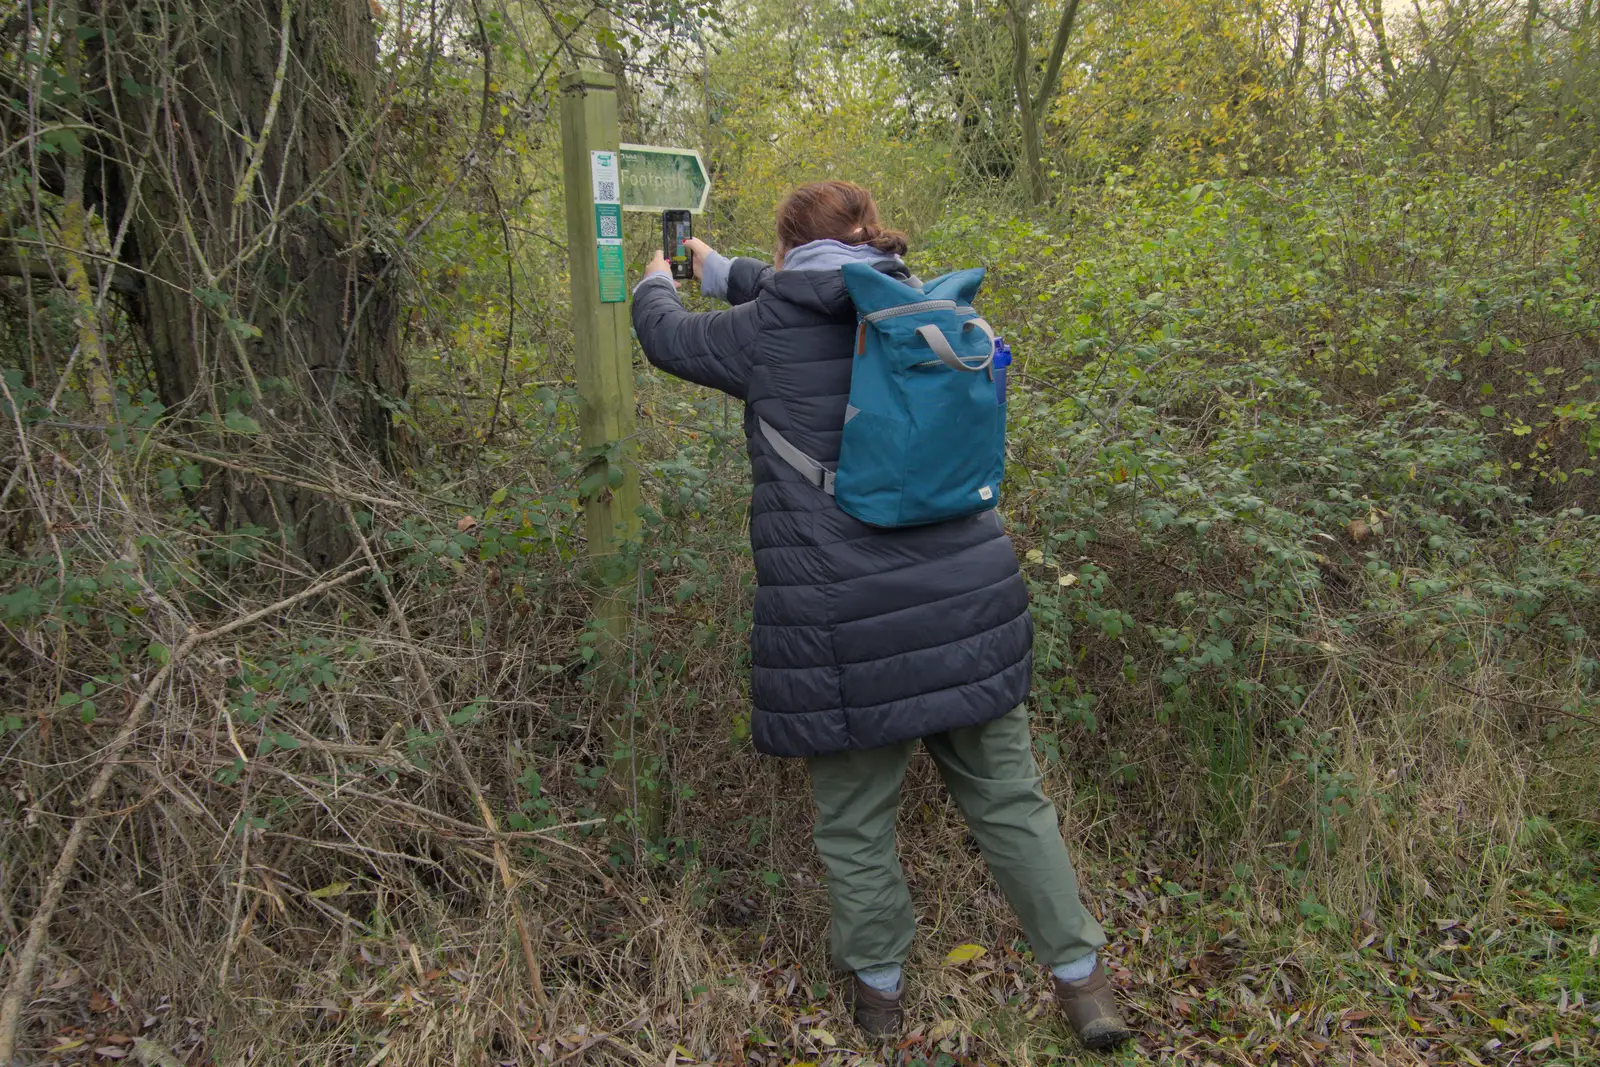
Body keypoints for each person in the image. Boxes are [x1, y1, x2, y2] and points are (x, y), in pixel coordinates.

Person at [630, 180, 1131, 1050]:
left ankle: (880, 1002)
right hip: (969, 608)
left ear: (787, 251)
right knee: (1012, 801)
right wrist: (725, 269)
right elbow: (819, 295)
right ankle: (1084, 984)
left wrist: (655, 281)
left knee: (858, 821)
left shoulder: (768, 331)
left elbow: (669, 339)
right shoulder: (924, 301)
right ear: (871, 238)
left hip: (846, 624)